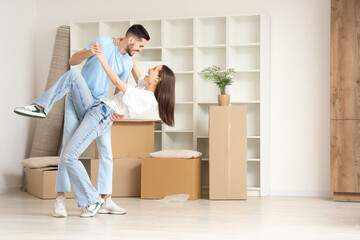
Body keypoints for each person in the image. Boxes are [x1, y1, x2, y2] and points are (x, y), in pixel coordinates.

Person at [14, 43, 176, 217]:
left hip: (101, 116)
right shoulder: (144, 87)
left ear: (158, 79)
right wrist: (129, 47)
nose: (150, 69)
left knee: (69, 156)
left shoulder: (147, 97)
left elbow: (116, 81)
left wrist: (100, 56)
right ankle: (40, 106)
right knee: (73, 76)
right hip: (96, 106)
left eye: (154, 69)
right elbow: (134, 67)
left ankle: (92, 200)